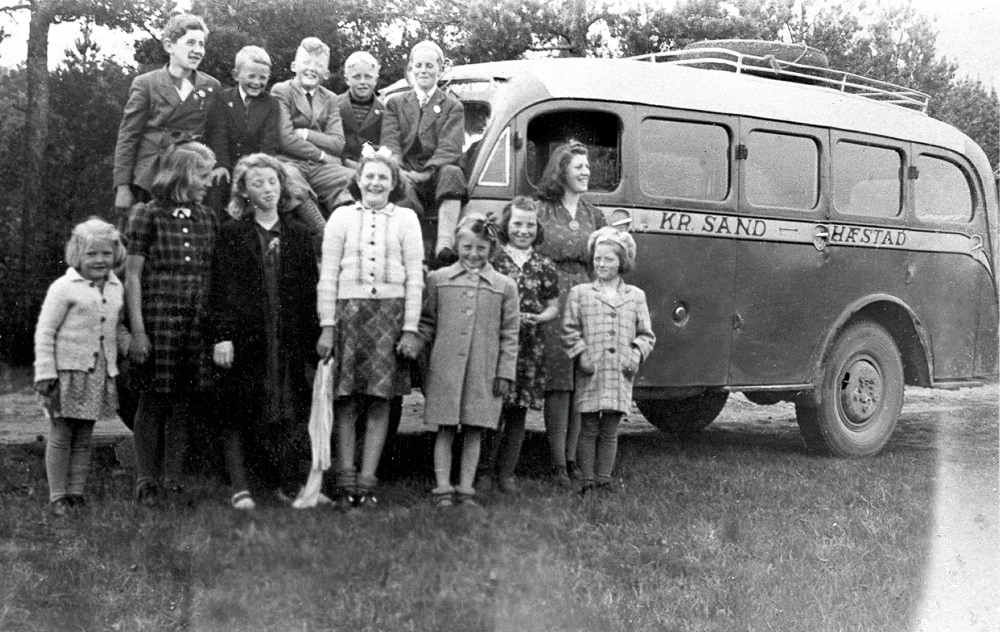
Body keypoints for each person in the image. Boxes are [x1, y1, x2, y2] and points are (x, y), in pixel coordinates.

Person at [209, 154, 319, 509]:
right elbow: (220, 288)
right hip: (247, 334)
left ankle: (288, 483)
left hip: (286, 336)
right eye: (258, 183)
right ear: (244, 191)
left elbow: (309, 289)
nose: (268, 189)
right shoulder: (232, 233)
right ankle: (240, 486)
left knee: (289, 405)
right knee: (239, 406)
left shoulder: (299, 233)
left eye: (273, 182)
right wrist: (222, 335)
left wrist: (315, 337)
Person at [316, 150, 424, 508]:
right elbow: (327, 276)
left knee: (380, 401)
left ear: (393, 184)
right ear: (358, 180)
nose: (375, 183)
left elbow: (415, 278)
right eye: (370, 176)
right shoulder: (341, 216)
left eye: (383, 177)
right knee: (346, 401)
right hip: (349, 316)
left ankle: (366, 483)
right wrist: (327, 326)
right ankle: (345, 481)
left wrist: (410, 328)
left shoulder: (407, 219)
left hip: (389, 318)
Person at [124, 141, 219, 507]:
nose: (208, 183)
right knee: (152, 398)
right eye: (204, 175)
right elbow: (133, 276)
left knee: (183, 400)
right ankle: (146, 480)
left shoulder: (207, 217)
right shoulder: (147, 214)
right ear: (185, 174)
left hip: (195, 320)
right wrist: (138, 330)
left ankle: (174, 479)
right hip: (158, 317)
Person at [418, 214, 519, 507]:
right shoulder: (438, 280)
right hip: (445, 369)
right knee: (445, 428)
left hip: (483, 370)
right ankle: (443, 490)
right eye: (467, 247)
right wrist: (417, 348)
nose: (473, 254)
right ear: (456, 246)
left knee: (475, 428)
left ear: (492, 250)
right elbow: (427, 322)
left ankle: (465, 489)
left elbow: (510, 334)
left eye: (481, 248)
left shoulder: (505, 286)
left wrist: (505, 372)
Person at [34, 219, 130, 516]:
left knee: (84, 437)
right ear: (77, 254)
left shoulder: (116, 287)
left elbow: (115, 327)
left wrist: (130, 345)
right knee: (62, 434)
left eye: (106, 253)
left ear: (116, 254)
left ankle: (76, 493)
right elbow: (45, 331)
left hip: (97, 373)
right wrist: (45, 372)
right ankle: (58, 496)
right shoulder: (64, 288)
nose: (100, 260)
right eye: (92, 254)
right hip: (64, 374)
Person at [534, 141, 607, 486]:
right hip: (553, 296)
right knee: (558, 383)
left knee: (580, 381)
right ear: (561, 171)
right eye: (579, 166)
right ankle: (557, 463)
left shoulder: (594, 215)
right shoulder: (542, 210)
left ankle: (573, 457)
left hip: (585, 297)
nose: (586, 172)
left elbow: (604, 260)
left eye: (587, 167)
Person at [561, 227, 655, 493]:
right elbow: (569, 330)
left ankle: (604, 479)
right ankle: (587, 481)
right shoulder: (580, 293)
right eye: (597, 259)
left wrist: (635, 356)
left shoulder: (635, 296)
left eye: (609, 259)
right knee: (589, 428)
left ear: (621, 262)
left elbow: (646, 335)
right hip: (591, 370)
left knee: (610, 429)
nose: (601, 264)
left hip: (619, 371)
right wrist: (581, 354)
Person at [480, 197, 559, 494]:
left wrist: (539, 318)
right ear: (506, 225)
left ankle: (506, 474)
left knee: (517, 414)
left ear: (537, 228)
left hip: (530, 346)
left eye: (530, 225)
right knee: (492, 410)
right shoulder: (495, 259)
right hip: (500, 344)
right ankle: (484, 472)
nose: (523, 230)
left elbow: (553, 306)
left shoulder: (544, 264)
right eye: (517, 224)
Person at [113, 13, 220, 229]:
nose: (198, 50)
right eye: (190, 42)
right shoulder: (146, 83)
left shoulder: (211, 86)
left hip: (189, 177)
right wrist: (122, 186)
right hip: (151, 176)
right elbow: (128, 136)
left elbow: (215, 135)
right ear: (169, 45)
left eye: (201, 44)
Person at [206, 45, 325, 234]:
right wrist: (221, 164)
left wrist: (257, 169)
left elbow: (269, 142)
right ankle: (214, 237)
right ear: (236, 75)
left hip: (258, 163)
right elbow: (219, 135)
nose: (257, 82)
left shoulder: (270, 104)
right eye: (251, 76)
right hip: (227, 163)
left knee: (276, 186)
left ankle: (316, 230)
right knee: (217, 186)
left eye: (262, 78)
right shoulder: (222, 99)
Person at [381, 40, 466, 267]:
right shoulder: (395, 104)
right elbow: (390, 142)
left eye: (430, 65)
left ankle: (444, 245)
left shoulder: (452, 106)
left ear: (440, 69)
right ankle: (413, 251)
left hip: (436, 175)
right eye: (418, 65)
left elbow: (450, 147)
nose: (423, 71)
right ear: (411, 68)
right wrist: (399, 170)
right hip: (406, 171)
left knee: (453, 173)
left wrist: (427, 173)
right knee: (399, 184)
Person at [271, 37, 355, 229]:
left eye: (318, 65)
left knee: (353, 179)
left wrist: (306, 134)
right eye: (306, 62)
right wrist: (322, 155)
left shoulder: (330, 98)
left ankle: (345, 230)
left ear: (326, 73)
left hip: (320, 168)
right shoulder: (282, 91)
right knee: (289, 177)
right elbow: (286, 139)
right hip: (289, 161)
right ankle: (321, 230)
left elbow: (338, 143)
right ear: (294, 66)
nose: (311, 68)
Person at [338, 51, 384, 171]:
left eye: (368, 76)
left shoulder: (384, 111)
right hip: (340, 167)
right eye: (356, 77)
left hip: (373, 169)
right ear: (347, 79)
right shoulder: (334, 106)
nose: (362, 81)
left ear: (376, 80)